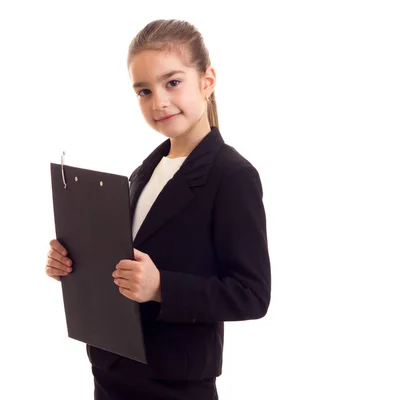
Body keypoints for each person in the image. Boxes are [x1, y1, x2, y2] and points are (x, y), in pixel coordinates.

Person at [45, 19, 271, 400]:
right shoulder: (144, 171)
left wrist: (161, 287)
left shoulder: (232, 176)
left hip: (174, 386)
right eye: (144, 91)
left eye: (173, 82)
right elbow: (125, 262)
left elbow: (252, 293)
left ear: (207, 80)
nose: (159, 102)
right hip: (112, 372)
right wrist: (74, 262)